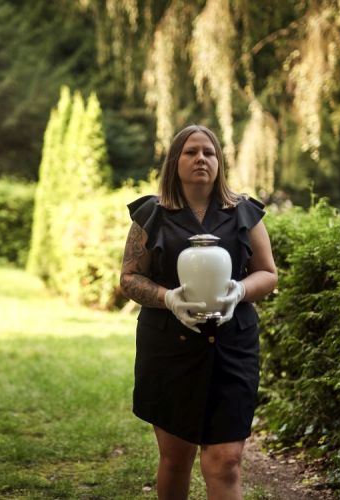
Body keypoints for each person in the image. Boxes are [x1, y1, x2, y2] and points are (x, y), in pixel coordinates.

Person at [120, 124, 278, 499]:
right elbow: (129, 277)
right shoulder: (151, 214)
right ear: (175, 161)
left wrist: (239, 290)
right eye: (191, 152)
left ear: (219, 162)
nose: (201, 159)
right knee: (176, 459)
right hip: (168, 349)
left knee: (226, 460)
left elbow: (268, 274)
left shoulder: (244, 212)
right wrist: (169, 298)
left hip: (232, 347)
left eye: (209, 152)